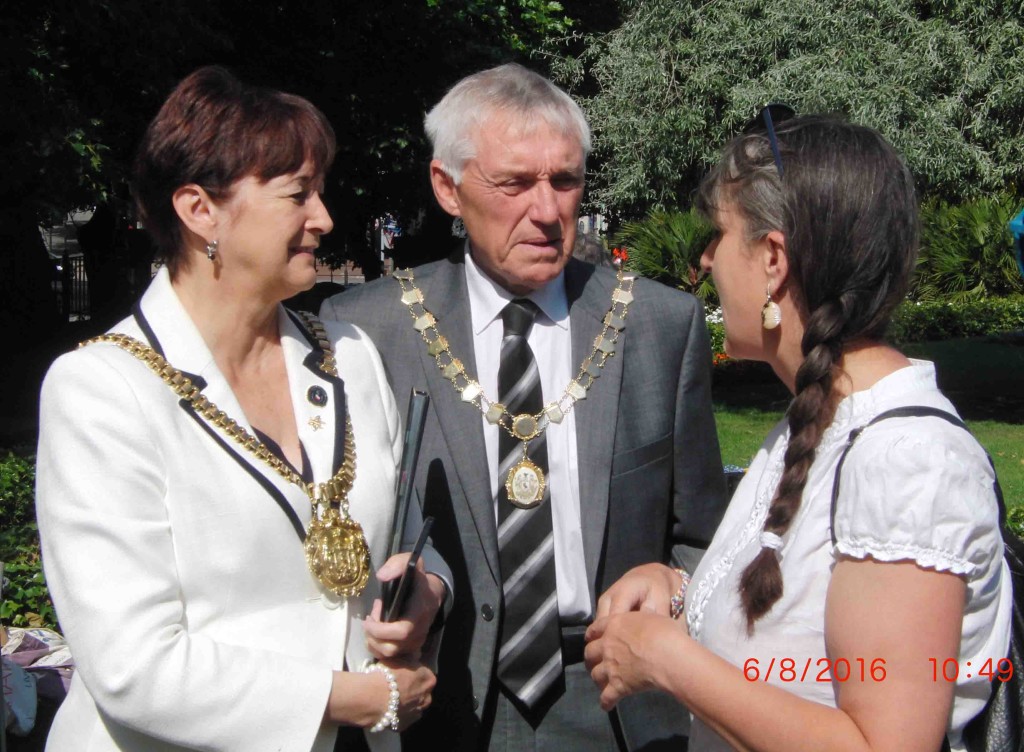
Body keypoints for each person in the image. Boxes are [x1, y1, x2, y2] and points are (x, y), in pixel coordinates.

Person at [35, 66, 451, 752]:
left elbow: (401, 535)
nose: (324, 218)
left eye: (320, 192)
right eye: (297, 195)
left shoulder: (349, 354)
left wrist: (424, 589)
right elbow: (133, 664)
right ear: (200, 211)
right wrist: (352, 698)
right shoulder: (100, 391)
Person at [320, 63, 727, 751]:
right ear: (447, 188)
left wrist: (673, 579)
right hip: (438, 701)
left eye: (564, 181)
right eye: (514, 183)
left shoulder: (657, 325)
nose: (546, 211)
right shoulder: (371, 331)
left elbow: (708, 537)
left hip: (613, 702)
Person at [583, 112, 1013, 752]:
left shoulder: (909, 463)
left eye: (718, 236)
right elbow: (804, 618)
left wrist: (669, 662)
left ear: (774, 260)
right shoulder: (815, 420)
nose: (704, 260)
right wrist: (682, 591)